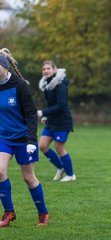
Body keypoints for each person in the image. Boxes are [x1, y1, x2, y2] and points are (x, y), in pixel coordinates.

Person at [0, 48, 49, 227]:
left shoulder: (20, 85)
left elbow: (30, 114)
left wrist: (31, 140)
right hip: (3, 138)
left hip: (23, 139)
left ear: (4, 66)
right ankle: (9, 212)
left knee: (28, 178)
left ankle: (43, 213)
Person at [37, 60, 76, 182]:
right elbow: (50, 104)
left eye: (48, 68)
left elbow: (61, 105)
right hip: (52, 121)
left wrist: (42, 112)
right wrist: (46, 116)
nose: (46, 71)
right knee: (42, 146)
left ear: (55, 69)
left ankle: (70, 175)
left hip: (62, 121)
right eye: (44, 69)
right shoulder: (46, 84)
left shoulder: (60, 84)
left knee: (59, 147)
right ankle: (60, 167)